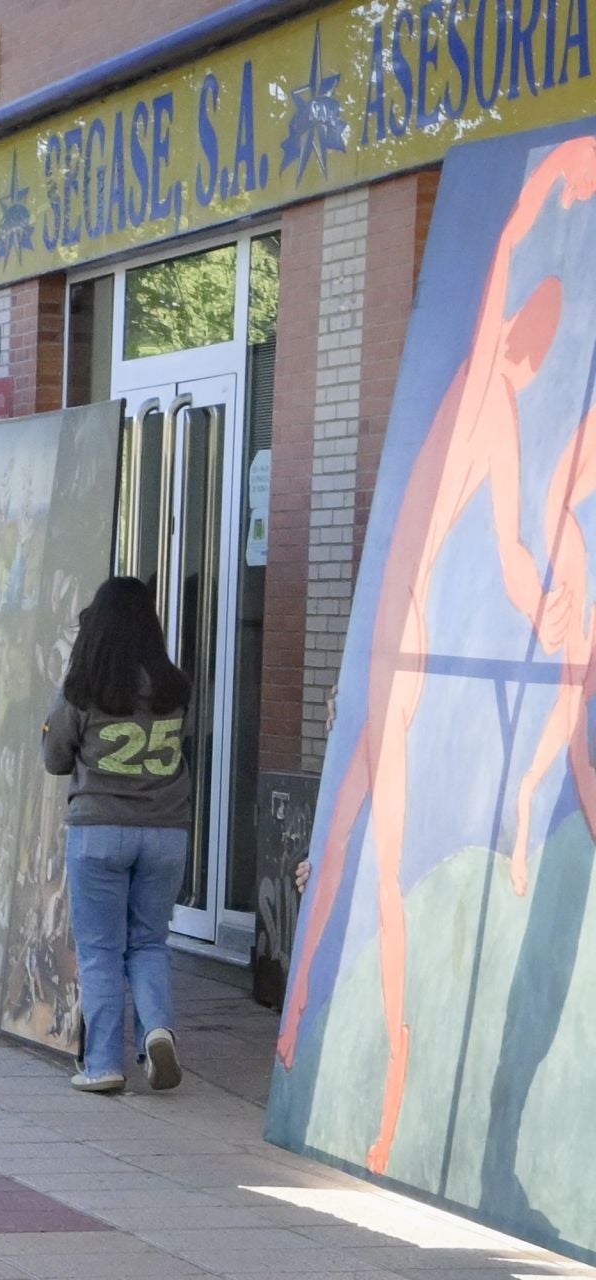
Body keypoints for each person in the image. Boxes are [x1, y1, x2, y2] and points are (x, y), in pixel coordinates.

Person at [278, 139, 596, 1175]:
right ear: (537, 346)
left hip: (392, 650)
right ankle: (364, 1064)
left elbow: (511, 554)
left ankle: (355, 1070)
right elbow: (513, 553)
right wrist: (559, 165)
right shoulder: (492, 393)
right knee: (365, 855)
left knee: (361, 853)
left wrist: (546, 604)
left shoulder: (479, 392)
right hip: (399, 653)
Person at [40, 575, 192, 1094]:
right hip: (166, 833)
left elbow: (55, 758)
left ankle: (103, 1064)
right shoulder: (176, 687)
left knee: (101, 950)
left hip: (100, 832)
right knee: (149, 941)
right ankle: (157, 1031)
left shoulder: (84, 688)